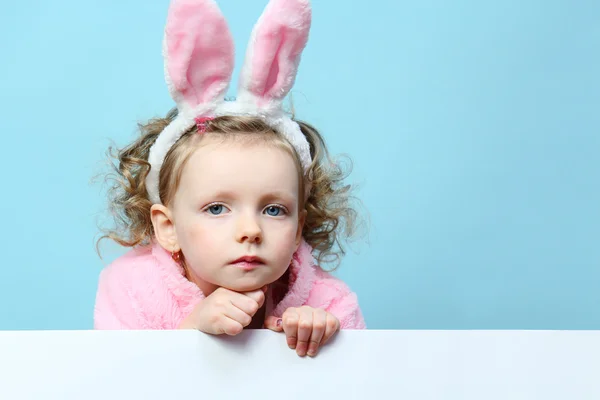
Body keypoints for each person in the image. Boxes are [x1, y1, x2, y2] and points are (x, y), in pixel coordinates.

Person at [94, 0, 366, 358]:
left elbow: (361, 381)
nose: (250, 230)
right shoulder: (135, 288)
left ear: (299, 226)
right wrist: (191, 331)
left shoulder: (326, 299)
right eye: (217, 207)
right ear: (168, 226)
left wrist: (322, 340)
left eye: (273, 210)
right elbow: (116, 380)